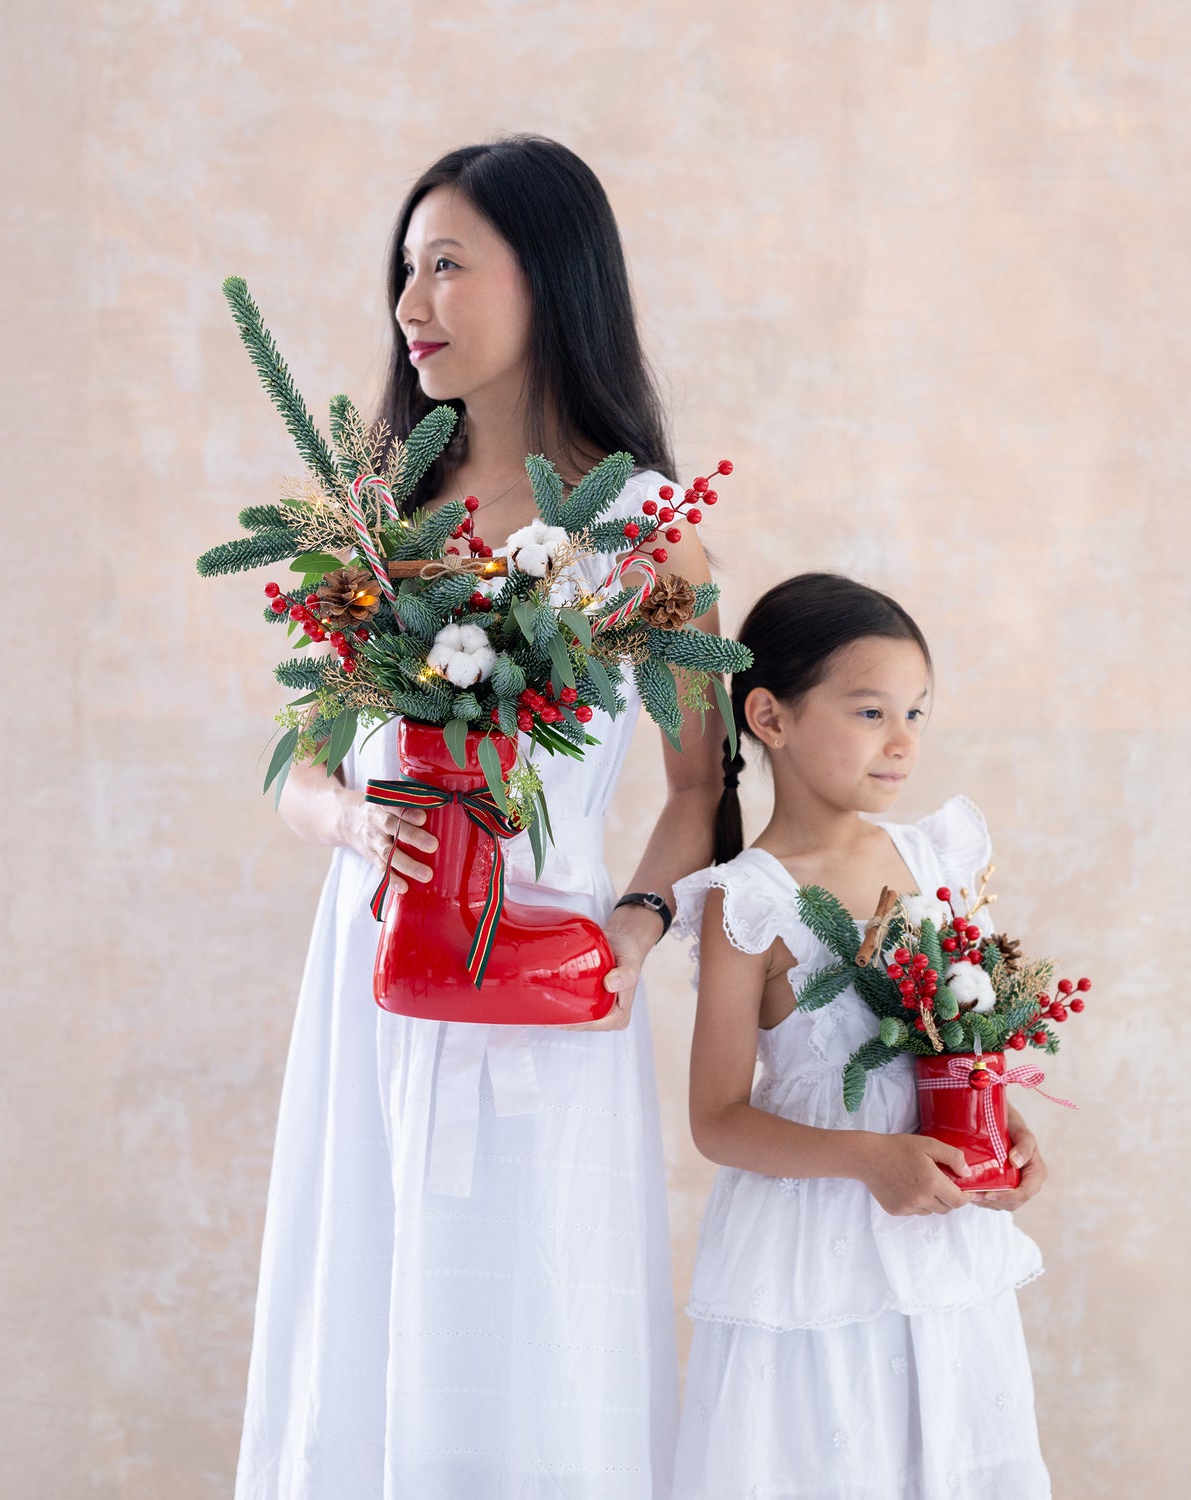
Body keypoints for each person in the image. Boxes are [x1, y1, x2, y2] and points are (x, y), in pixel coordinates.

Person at [235, 136, 722, 1499]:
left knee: (530, 1322)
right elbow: (301, 767)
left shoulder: (641, 529)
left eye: (448, 264)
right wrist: (347, 824)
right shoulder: (380, 519)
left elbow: (703, 791)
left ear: (551, 278)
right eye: (406, 269)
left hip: (543, 974)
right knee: (365, 1296)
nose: (412, 304)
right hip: (371, 973)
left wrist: (629, 933)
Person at [670, 573, 1052, 1499]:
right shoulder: (750, 901)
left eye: (917, 712)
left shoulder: (934, 860)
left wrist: (1006, 1131)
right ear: (770, 716)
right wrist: (867, 1159)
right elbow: (717, 1120)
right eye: (872, 710)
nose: (903, 740)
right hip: (810, 1251)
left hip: (937, 1236)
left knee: (948, 1459)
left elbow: (959, 1033)